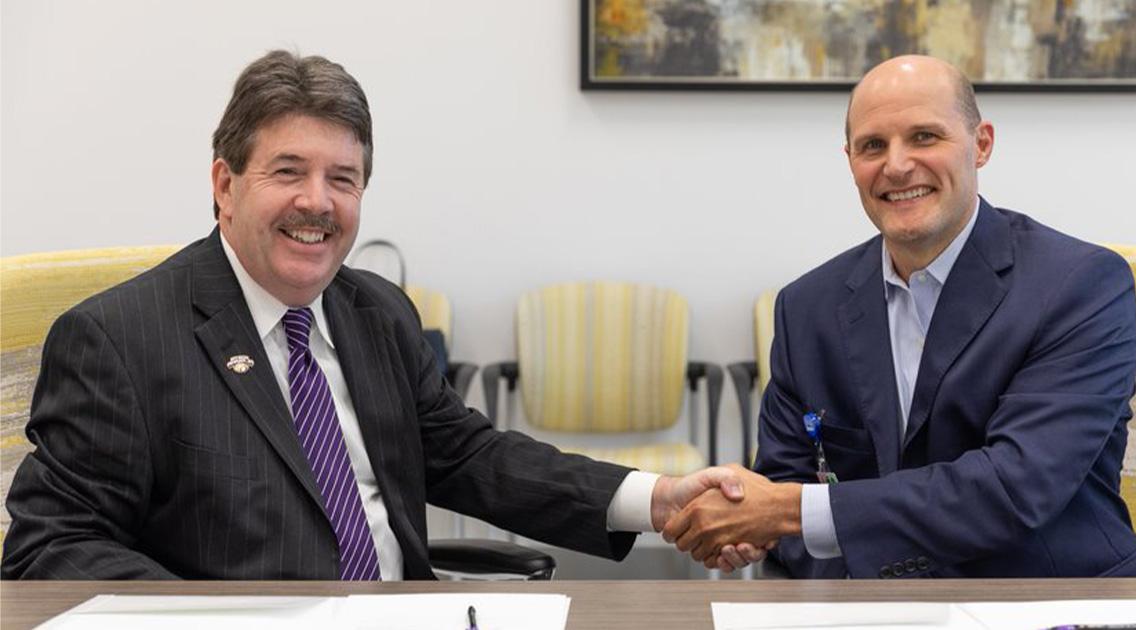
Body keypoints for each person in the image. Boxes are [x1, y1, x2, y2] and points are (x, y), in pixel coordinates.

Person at [0, 50, 744, 580]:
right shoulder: (117, 340)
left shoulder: (377, 311)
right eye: (288, 171)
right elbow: (53, 545)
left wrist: (655, 499)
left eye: (343, 179)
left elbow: (467, 457)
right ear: (225, 185)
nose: (318, 202)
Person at [663, 55, 1136, 578]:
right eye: (873, 146)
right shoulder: (805, 307)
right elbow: (783, 483)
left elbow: (1014, 487)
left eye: (925, 137)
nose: (897, 165)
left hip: (1051, 593)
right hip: (867, 606)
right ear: (850, 159)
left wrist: (786, 513)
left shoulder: (1080, 285)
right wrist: (751, 530)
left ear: (982, 144)